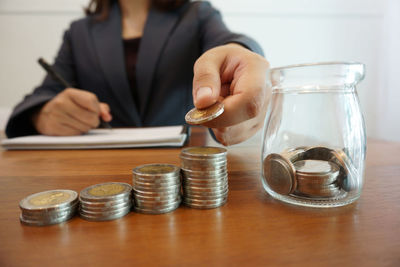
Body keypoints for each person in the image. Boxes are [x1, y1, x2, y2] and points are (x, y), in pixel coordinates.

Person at [5, 0, 270, 146]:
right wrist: (45, 115)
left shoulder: (197, 14)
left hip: (183, 165)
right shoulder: (79, 32)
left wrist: (243, 52)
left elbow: (228, 42)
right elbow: (43, 95)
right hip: (99, 171)